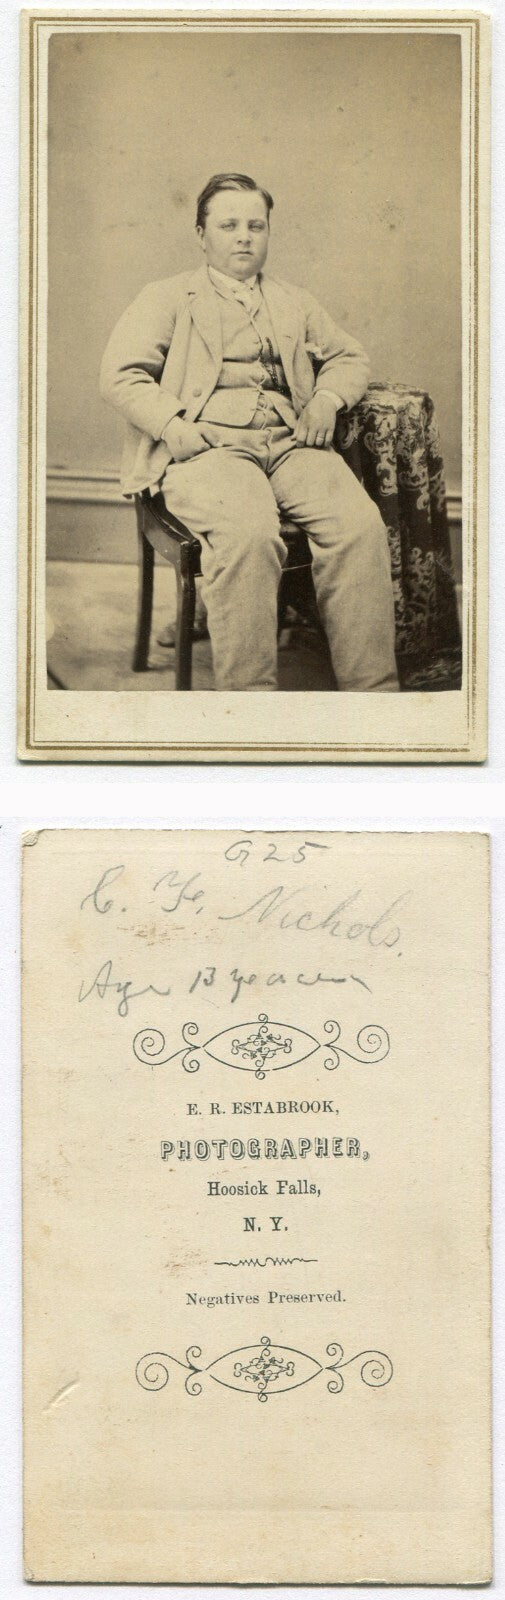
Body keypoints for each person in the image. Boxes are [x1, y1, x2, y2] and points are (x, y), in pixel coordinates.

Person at [100, 172, 398, 692]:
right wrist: (172, 424)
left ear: (267, 233)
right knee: (247, 535)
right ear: (201, 234)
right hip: (207, 450)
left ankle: (374, 696)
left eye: (255, 225)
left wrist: (326, 398)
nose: (244, 236)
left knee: (359, 526)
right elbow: (120, 375)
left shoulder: (293, 300)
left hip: (288, 444)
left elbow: (350, 356)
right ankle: (249, 703)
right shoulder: (168, 296)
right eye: (229, 224)